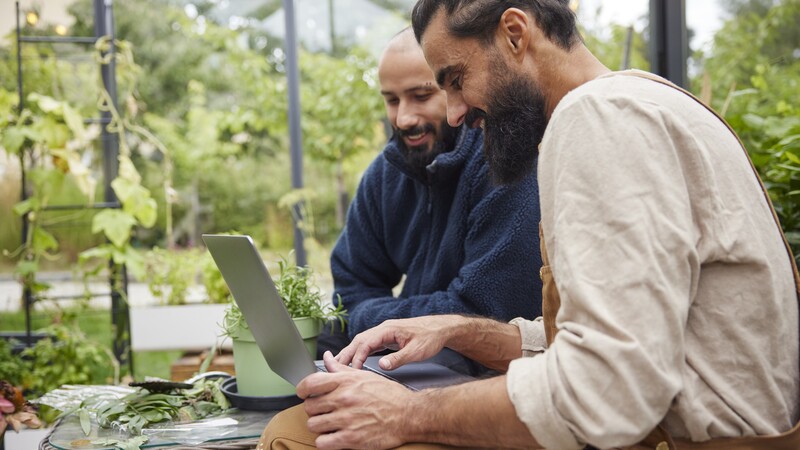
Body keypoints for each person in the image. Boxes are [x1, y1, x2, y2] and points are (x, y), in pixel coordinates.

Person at [261, 1, 800, 449]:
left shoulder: (597, 119)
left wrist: (408, 413)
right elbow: (639, 338)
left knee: (297, 433)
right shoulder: (645, 101)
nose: (453, 114)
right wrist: (460, 329)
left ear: (515, 33)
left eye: (455, 79)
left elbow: (608, 391)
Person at [317, 27, 541, 376]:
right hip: (417, 365)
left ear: (457, 91)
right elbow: (351, 290)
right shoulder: (386, 172)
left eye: (421, 96)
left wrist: (383, 321)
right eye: (392, 100)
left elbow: (480, 314)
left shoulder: (506, 164)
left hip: (493, 375)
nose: (404, 118)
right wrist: (391, 323)